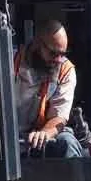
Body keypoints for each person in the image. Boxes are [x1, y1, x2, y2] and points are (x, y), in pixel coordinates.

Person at [13, 19, 86, 158]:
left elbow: (59, 117)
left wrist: (44, 133)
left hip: (40, 139)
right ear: (36, 44)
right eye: (53, 53)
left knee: (67, 143)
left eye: (63, 54)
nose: (58, 59)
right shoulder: (7, 60)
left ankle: (74, 179)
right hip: (6, 137)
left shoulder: (65, 70)